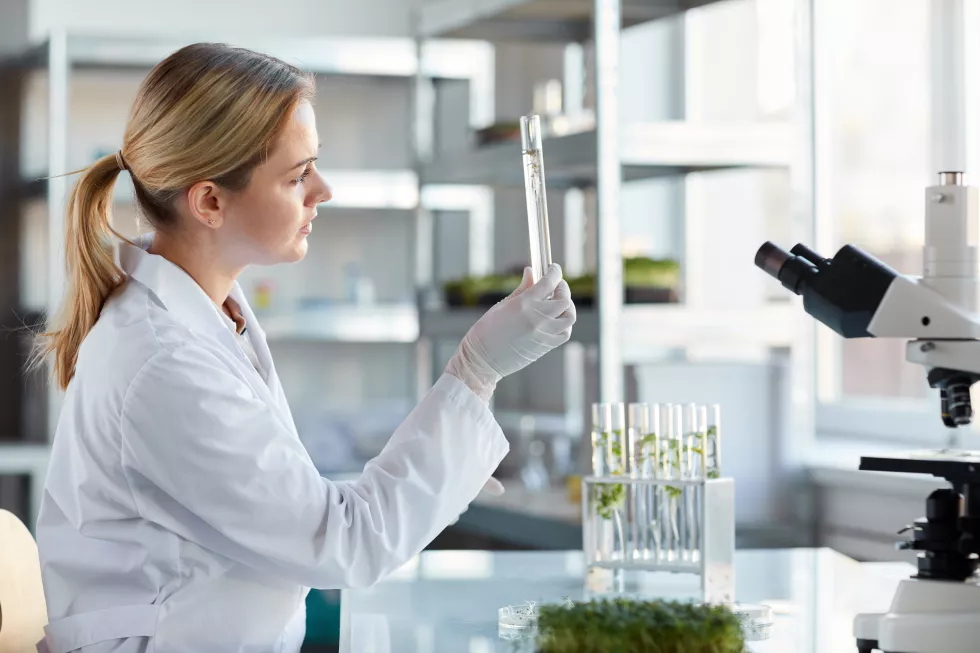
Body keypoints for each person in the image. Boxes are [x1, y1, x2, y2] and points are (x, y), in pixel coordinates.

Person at [34, 43, 575, 653]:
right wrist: (477, 370)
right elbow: (345, 543)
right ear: (210, 201)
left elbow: (289, 508)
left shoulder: (205, 318)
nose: (324, 190)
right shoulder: (164, 360)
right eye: (297, 176)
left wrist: (438, 477)